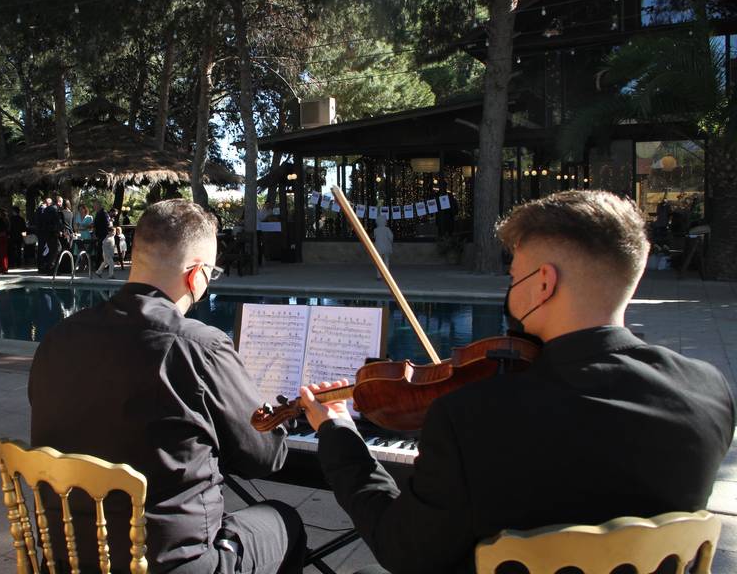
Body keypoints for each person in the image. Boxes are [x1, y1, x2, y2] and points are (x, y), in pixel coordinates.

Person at [299, 189, 736, 574]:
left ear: (543, 283)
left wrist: (339, 435)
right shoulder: (707, 389)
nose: (510, 290)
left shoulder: (474, 417)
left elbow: (401, 550)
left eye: (514, 277)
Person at [29, 199, 305, 574]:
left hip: (69, 560)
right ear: (197, 276)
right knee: (283, 520)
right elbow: (264, 457)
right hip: (172, 565)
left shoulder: (57, 338)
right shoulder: (199, 346)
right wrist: (288, 419)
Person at [373, 214, 393, 280]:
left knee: (379, 261)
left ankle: (379, 275)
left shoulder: (375, 230)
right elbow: (391, 237)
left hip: (378, 247)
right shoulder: (387, 229)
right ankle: (386, 275)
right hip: (386, 246)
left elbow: (375, 237)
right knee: (386, 260)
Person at [0, 207, 10, 273]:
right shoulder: (7, 219)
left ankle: (1, 268)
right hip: (5, 236)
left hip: (0, 236)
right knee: (4, 253)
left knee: (0, 253)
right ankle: (5, 267)